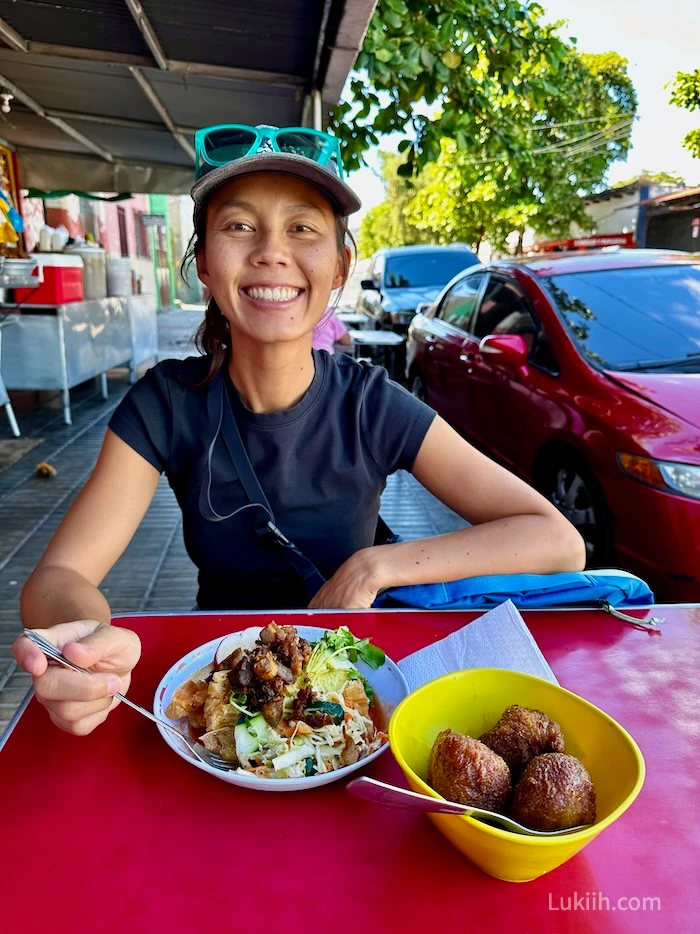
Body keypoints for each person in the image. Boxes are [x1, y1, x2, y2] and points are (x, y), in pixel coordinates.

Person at [12, 123, 585, 736]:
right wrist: (87, 642)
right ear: (203, 261)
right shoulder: (166, 403)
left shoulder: (371, 403)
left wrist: (376, 566)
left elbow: (556, 539)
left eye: (302, 227)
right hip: (221, 702)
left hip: (354, 700)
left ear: (338, 266)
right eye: (238, 226)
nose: (271, 251)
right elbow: (59, 578)